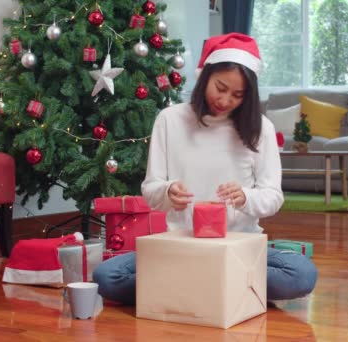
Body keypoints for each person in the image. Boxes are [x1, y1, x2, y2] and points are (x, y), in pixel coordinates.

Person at [93, 32, 317, 304]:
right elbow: (150, 189)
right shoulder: (170, 120)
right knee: (107, 276)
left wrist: (246, 196)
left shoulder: (261, 128)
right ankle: (224, 288)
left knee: (301, 275)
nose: (225, 101)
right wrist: (167, 192)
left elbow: (273, 197)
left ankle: (192, 286)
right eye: (220, 88)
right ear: (205, 76)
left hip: (239, 247)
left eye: (237, 95)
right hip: (180, 247)